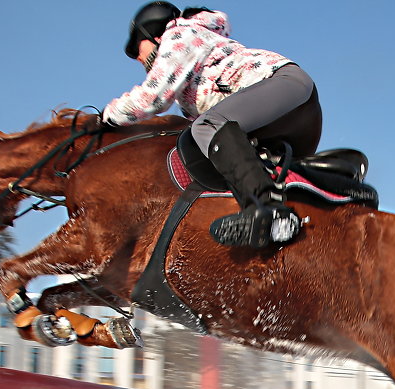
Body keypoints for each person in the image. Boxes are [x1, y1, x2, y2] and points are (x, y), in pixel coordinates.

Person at [103, 3, 323, 248]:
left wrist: (108, 116)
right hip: (292, 117)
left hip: (284, 87)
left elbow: (152, 98)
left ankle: (268, 210)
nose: (138, 57)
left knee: (206, 127)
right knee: (210, 143)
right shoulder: (192, 68)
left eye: (136, 47)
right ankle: (332, 179)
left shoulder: (179, 35)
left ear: (154, 34)